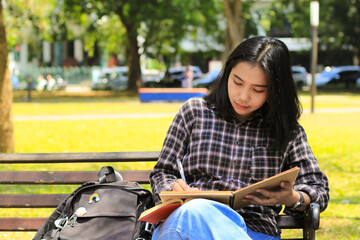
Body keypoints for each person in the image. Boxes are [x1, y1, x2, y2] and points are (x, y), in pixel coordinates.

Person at [149, 36, 329, 240]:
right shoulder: (194, 112)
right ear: (227, 74)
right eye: (237, 82)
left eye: (257, 89)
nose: (243, 96)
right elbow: (163, 172)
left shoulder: (287, 131)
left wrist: (294, 197)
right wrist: (171, 188)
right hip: (186, 222)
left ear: (276, 92)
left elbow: (318, 189)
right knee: (193, 213)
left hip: (254, 230)